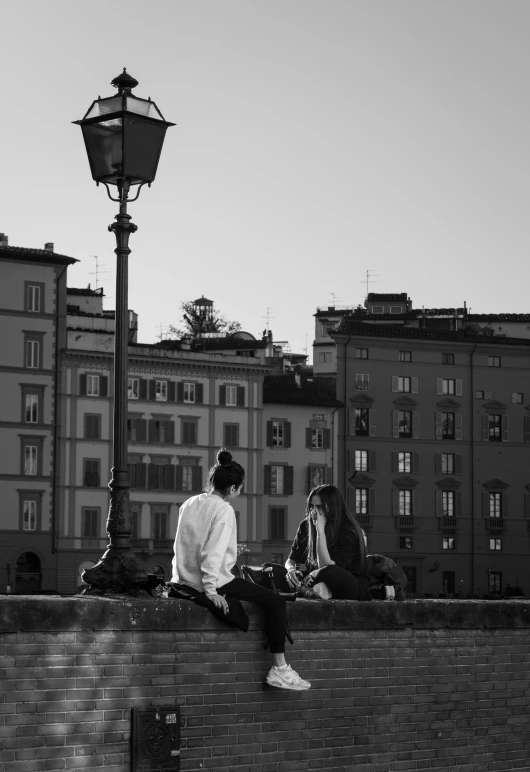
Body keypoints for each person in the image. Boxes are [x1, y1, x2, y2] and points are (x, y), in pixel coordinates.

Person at [171, 448, 310, 691]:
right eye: (240, 488)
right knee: (276, 602)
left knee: (261, 595)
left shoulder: (190, 503)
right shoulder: (223, 509)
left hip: (184, 580)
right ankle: (280, 668)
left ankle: (280, 669)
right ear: (233, 488)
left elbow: (184, 545)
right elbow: (211, 553)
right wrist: (211, 590)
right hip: (212, 582)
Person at [285, 484, 370, 601]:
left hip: (346, 584)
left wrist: (320, 531)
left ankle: (304, 589)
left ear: (332, 508)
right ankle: (309, 590)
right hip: (314, 580)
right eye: (311, 506)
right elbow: (291, 560)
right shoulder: (305, 526)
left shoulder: (349, 532)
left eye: (319, 507)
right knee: (270, 570)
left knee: (329, 571)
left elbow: (326, 568)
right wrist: (291, 570)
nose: (313, 512)